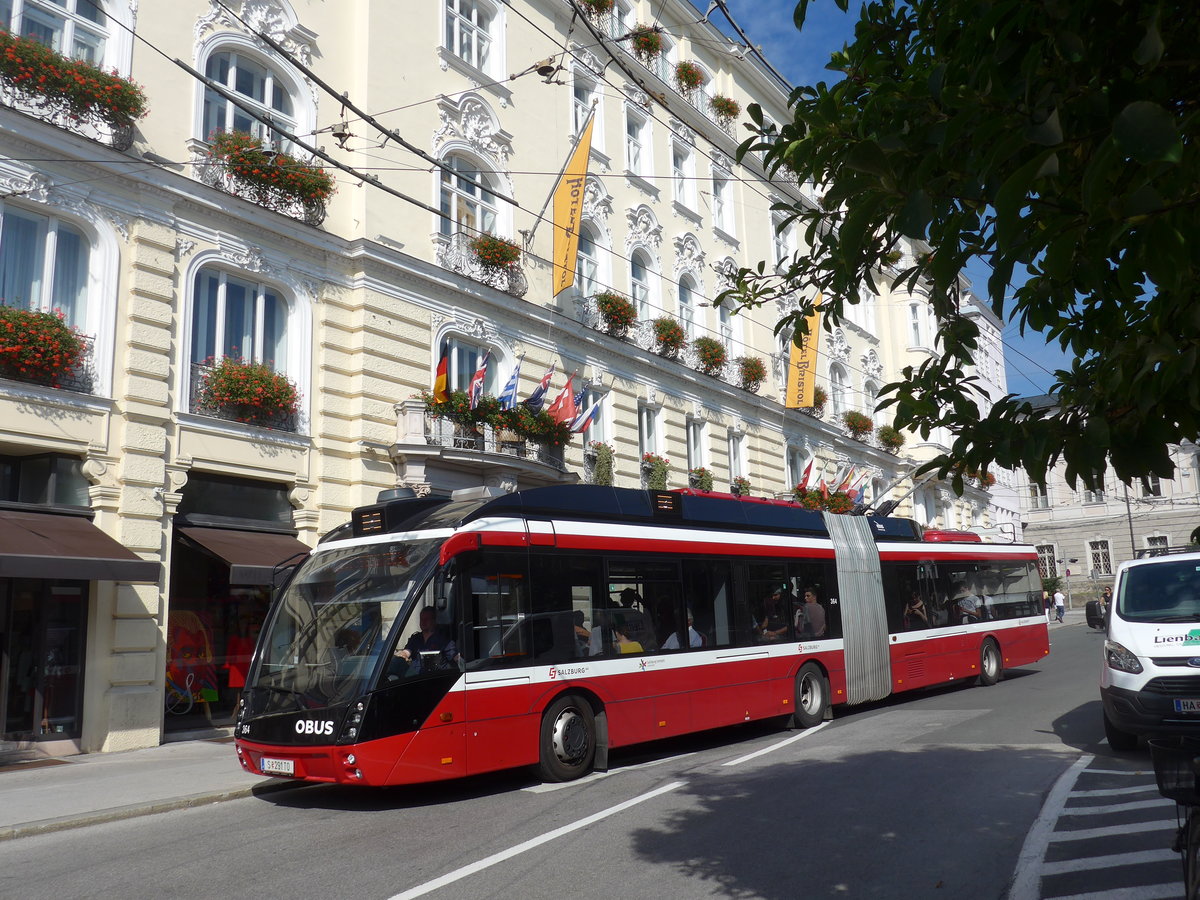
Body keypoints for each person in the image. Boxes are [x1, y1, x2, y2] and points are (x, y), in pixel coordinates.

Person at [393, 607, 458, 673]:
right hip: (414, 678)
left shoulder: (444, 641)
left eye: (427, 619)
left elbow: (456, 658)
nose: (423, 621)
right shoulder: (415, 638)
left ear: (434, 621)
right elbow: (406, 652)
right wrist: (402, 654)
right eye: (422, 619)